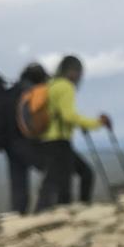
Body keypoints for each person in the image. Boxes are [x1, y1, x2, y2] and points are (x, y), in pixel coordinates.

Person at [36, 55, 111, 211]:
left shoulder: (51, 85)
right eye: (78, 72)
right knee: (72, 181)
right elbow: (68, 116)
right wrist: (96, 123)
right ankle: (75, 212)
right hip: (60, 141)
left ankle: (49, 212)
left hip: (47, 141)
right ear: (73, 72)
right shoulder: (65, 87)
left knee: (60, 180)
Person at [3, 62, 48, 214]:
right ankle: (42, 211)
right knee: (53, 171)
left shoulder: (10, 92)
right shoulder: (30, 93)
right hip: (26, 142)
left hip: (9, 144)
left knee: (19, 189)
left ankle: (18, 217)